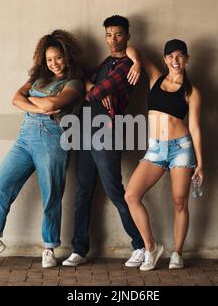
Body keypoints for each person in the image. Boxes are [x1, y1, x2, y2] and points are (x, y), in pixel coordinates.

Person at [0, 30, 84, 269]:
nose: (54, 63)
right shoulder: (38, 78)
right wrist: (38, 107)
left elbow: (53, 104)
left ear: (67, 56)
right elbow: (15, 98)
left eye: (58, 57)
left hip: (53, 137)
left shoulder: (74, 82)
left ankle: (49, 248)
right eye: (49, 59)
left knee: (51, 195)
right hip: (25, 136)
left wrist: (31, 102)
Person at [62, 15, 146, 267]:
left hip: (107, 133)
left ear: (128, 36)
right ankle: (79, 249)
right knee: (82, 193)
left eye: (118, 34)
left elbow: (97, 92)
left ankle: (141, 245)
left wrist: (92, 91)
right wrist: (90, 86)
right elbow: (83, 79)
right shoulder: (106, 62)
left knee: (115, 192)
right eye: (109, 35)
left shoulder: (127, 66)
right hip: (86, 131)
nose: (113, 40)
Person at [124, 39, 204, 271]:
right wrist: (137, 62)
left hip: (181, 149)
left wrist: (201, 163)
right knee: (131, 195)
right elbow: (132, 48)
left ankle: (178, 253)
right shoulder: (155, 77)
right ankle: (151, 248)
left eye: (180, 56)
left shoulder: (191, 91)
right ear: (165, 59)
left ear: (186, 58)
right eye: (170, 56)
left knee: (179, 202)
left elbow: (196, 128)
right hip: (155, 149)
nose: (175, 60)